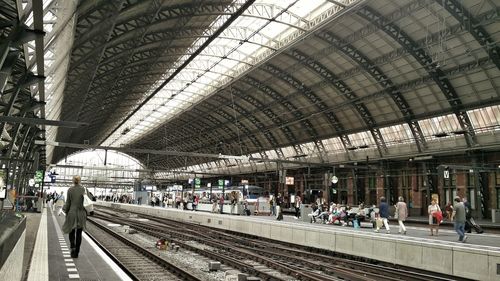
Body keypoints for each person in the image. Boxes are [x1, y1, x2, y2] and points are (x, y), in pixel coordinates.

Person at [62, 176, 89, 258]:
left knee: (71, 231)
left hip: (72, 213)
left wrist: (66, 211)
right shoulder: (84, 190)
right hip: (81, 213)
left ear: (73, 181)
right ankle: (77, 251)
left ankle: (72, 247)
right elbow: (87, 201)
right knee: (79, 233)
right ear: (80, 181)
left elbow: (68, 203)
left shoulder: (70, 190)